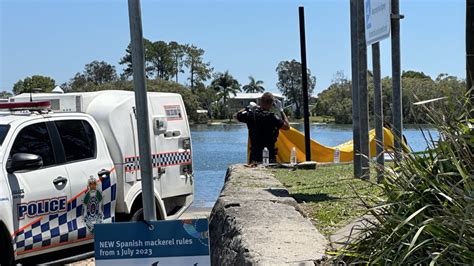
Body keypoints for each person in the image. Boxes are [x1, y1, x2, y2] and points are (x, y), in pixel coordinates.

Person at [234, 92, 290, 163]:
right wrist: (281, 111)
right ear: (271, 104)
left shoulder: (251, 115)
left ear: (260, 101)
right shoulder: (272, 117)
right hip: (270, 156)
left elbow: (235, 116)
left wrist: (247, 108)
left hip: (255, 157)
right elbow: (287, 127)